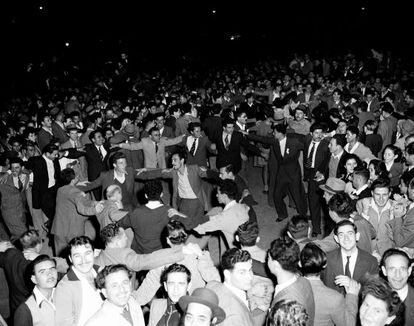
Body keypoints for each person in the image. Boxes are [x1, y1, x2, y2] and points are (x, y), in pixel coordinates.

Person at [134, 220, 220, 306]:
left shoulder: (162, 261)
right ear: (185, 236)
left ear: (167, 240)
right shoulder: (199, 255)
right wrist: (203, 256)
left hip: (174, 308)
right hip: (198, 306)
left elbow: (143, 295)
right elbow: (216, 282)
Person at [246, 123, 307, 222]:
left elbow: (307, 143)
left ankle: (303, 216)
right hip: (281, 173)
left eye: (274, 132)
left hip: (293, 173)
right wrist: (246, 134)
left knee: (298, 195)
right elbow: (262, 139)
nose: (273, 134)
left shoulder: (295, 142)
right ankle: (282, 214)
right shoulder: (275, 142)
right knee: (277, 195)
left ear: (280, 133)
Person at [117, 179, 186, 254]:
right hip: (162, 254)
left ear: (146, 195)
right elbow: (188, 224)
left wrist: (120, 209)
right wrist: (179, 213)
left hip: (140, 255)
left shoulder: (135, 212)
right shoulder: (169, 211)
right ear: (161, 194)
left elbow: (119, 225)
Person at [300, 243, 359, 326]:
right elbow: (349, 324)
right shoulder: (334, 298)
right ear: (325, 265)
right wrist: (352, 296)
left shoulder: (290, 288)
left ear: (300, 263)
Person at [51, 168, 104, 256]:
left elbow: (78, 200)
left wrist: (94, 203)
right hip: (73, 230)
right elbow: (81, 209)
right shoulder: (76, 192)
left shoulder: (60, 190)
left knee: (60, 258)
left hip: (59, 228)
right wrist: (95, 210)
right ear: (73, 180)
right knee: (76, 254)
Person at [54, 236, 103, 326]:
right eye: (77, 256)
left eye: (87, 253)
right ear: (70, 259)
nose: (83, 260)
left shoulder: (103, 273)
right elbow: (64, 323)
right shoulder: (64, 287)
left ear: (94, 253)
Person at [267, 236, 315, 326]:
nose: (267, 260)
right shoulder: (304, 281)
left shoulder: (285, 307)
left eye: (268, 258)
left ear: (276, 264)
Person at [322, 220, 378, 295]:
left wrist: (354, 286)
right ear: (336, 239)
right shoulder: (327, 259)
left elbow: (374, 292)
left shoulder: (371, 261)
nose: (346, 238)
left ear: (357, 236)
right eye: (341, 235)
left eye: (350, 234)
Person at [193, 179, 250, 250]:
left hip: (236, 254)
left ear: (224, 196)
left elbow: (198, 227)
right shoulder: (243, 207)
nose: (216, 195)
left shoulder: (223, 218)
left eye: (218, 193)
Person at [206, 248, 257, 326]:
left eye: (250, 270)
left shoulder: (212, 285)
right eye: (242, 272)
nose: (250, 277)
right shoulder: (234, 317)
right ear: (227, 274)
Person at [14, 255, 58, 326]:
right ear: (34, 279)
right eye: (42, 272)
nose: (49, 274)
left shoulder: (65, 295)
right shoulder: (25, 310)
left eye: (52, 269)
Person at [303, 123, 330, 237]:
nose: (319, 135)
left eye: (321, 133)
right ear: (311, 134)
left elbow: (328, 162)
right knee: (313, 202)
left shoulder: (326, 145)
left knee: (326, 204)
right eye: (316, 133)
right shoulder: (307, 141)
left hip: (323, 176)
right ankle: (316, 229)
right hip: (311, 175)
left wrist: (322, 173)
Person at [358, 179, 394, 259]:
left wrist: (393, 218)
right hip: (366, 253)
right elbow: (359, 232)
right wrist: (365, 212)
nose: (381, 199)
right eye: (377, 194)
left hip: (388, 255)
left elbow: (395, 237)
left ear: (390, 194)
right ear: (372, 193)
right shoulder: (361, 204)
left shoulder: (396, 207)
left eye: (384, 195)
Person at [380, 248, 414, 325]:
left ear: (409, 271)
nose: (397, 275)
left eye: (402, 269)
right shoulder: (373, 300)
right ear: (384, 271)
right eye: (392, 269)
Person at [83, 130, 111, 200]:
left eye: (101, 136)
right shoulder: (88, 148)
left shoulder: (106, 146)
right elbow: (76, 152)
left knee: (107, 196)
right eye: (98, 137)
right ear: (93, 140)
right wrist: (65, 153)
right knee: (98, 198)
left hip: (105, 175)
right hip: (95, 177)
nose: (101, 138)